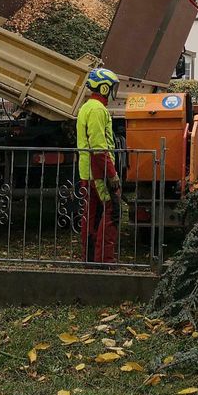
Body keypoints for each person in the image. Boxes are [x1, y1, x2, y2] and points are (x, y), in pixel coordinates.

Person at [77, 67, 122, 264]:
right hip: (98, 172)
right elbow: (99, 147)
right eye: (112, 88)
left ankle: (89, 259)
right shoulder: (97, 109)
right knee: (113, 211)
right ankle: (105, 260)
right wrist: (111, 174)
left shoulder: (87, 107)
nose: (113, 92)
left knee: (91, 216)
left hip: (88, 171)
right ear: (104, 88)